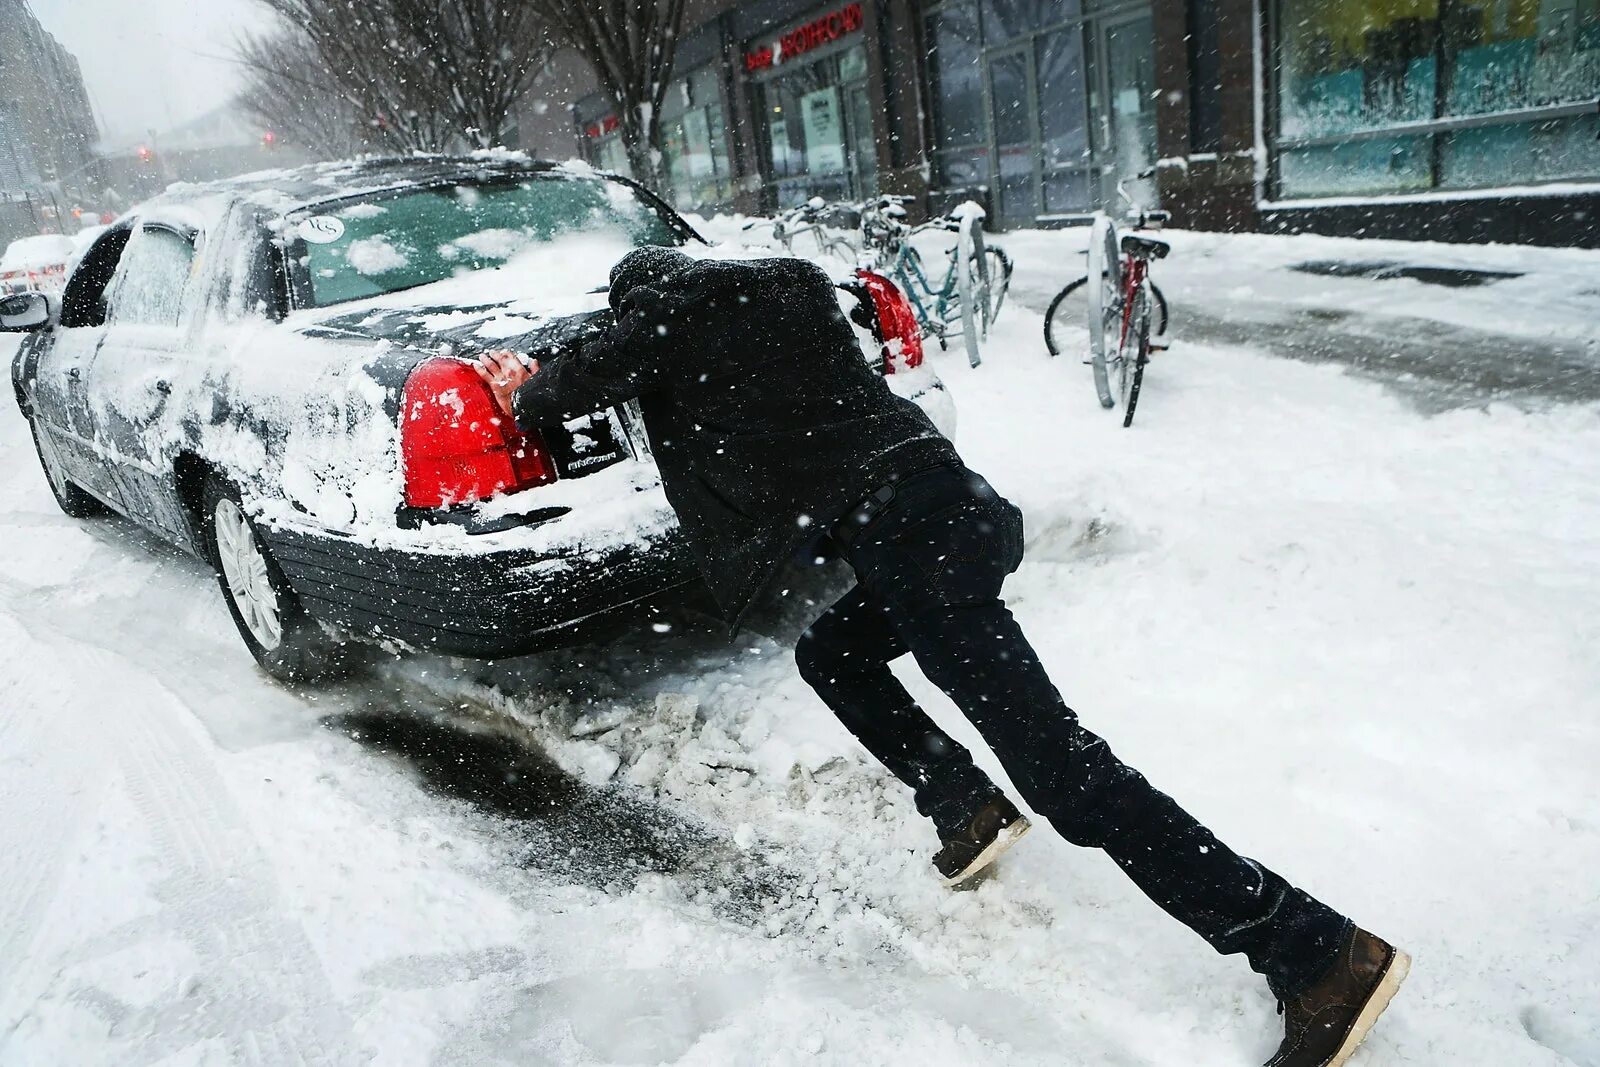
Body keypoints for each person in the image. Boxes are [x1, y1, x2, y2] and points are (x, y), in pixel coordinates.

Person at [476, 245, 1407, 1067]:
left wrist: (529, 374)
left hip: (911, 544)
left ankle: (1317, 951)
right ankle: (964, 803)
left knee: (1066, 771)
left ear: (640, 298)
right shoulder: (787, 285)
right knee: (833, 653)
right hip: (958, 508)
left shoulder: (663, 319)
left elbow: (552, 396)